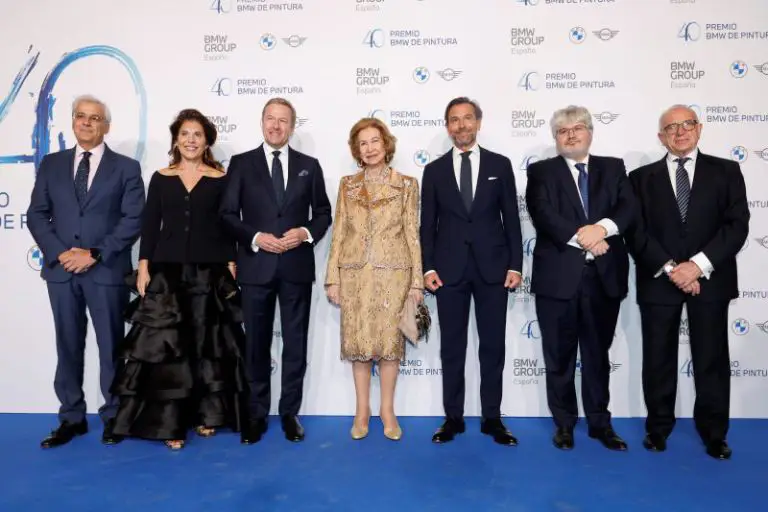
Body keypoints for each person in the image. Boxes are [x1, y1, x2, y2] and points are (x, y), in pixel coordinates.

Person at [110, 109, 247, 450]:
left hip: (209, 272)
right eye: (185, 134)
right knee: (170, 350)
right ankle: (170, 423)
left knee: (207, 346)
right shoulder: (160, 177)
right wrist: (144, 265)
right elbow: (150, 224)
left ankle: (207, 415)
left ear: (207, 141)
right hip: (168, 273)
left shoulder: (221, 178)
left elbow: (227, 225)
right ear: (175, 140)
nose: (190, 140)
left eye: (197, 134)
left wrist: (231, 262)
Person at [627, 105, 749, 460]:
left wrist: (696, 266)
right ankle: (658, 428)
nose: (680, 132)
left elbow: (737, 226)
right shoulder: (640, 178)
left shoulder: (727, 171)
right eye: (671, 127)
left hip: (711, 279)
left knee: (712, 359)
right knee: (658, 358)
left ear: (699, 128)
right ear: (660, 136)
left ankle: (714, 433)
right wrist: (672, 269)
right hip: (659, 280)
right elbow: (636, 231)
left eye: (687, 124)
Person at [27, 94, 145, 448]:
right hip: (62, 272)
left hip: (105, 271)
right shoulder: (51, 164)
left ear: (105, 125)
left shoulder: (126, 168)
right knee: (67, 345)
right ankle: (71, 417)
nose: (87, 122)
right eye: (81, 116)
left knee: (112, 348)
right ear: (73, 120)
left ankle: (114, 416)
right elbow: (37, 214)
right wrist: (61, 253)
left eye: (95, 118)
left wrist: (94, 253)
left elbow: (133, 219)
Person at [220, 98, 332, 444]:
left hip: (296, 267)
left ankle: (289, 414)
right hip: (256, 268)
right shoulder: (241, 164)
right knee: (255, 345)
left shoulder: (309, 166)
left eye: (283, 120)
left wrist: (305, 233)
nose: (276, 126)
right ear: (262, 122)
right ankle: (256, 414)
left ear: (292, 127)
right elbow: (227, 214)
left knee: (296, 344)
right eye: (271, 119)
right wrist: (255, 237)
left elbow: (323, 213)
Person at [525, 106, 636, 451]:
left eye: (577, 128)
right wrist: (585, 238)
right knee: (558, 357)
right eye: (563, 131)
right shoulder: (541, 171)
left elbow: (628, 207)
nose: (570, 135)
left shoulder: (613, 167)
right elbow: (542, 212)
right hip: (558, 280)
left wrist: (601, 229)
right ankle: (564, 424)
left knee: (597, 355)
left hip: (604, 278)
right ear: (555, 138)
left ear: (590, 132)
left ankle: (600, 423)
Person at [420, 97, 523, 445]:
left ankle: (492, 418)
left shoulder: (500, 164)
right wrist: (427, 268)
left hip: (494, 270)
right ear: (447, 126)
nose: (461, 125)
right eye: (454, 119)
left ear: (478, 122)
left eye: (467, 118)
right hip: (448, 272)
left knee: (492, 347)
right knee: (452, 348)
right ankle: (453, 418)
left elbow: (512, 219)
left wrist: (516, 264)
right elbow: (427, 225)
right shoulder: (434, 170)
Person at [325, 118, 423, 441]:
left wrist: (417, 281)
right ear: (356, 150)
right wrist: (333, 278)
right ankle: (362, 410)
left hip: (394, 275)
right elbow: (339, 233)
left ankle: (387, 410)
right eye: (363, 143)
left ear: (386, 144)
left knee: (390, 346)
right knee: (359, 345)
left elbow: (412, 234)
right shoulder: (347, 185)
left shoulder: (406, 185)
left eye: (375, 141)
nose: (369, 149)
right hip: (355, 275)